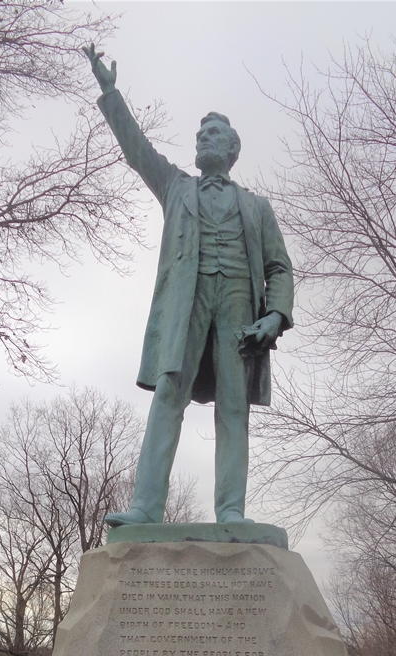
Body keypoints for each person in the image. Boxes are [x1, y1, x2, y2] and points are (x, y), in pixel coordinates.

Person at [84, 47, 294, 525]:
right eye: (199, 133)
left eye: (213, 133)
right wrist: (111, 92)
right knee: (169, 392)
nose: (202, 139)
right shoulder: (176, 186)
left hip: (239, 303)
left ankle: (232, 513)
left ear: (233, 149)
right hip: (189, 300)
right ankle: (145, 507)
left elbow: (280, 268)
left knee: (234, 406)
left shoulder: (257, 206)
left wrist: (275, 315)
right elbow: (137, 150)